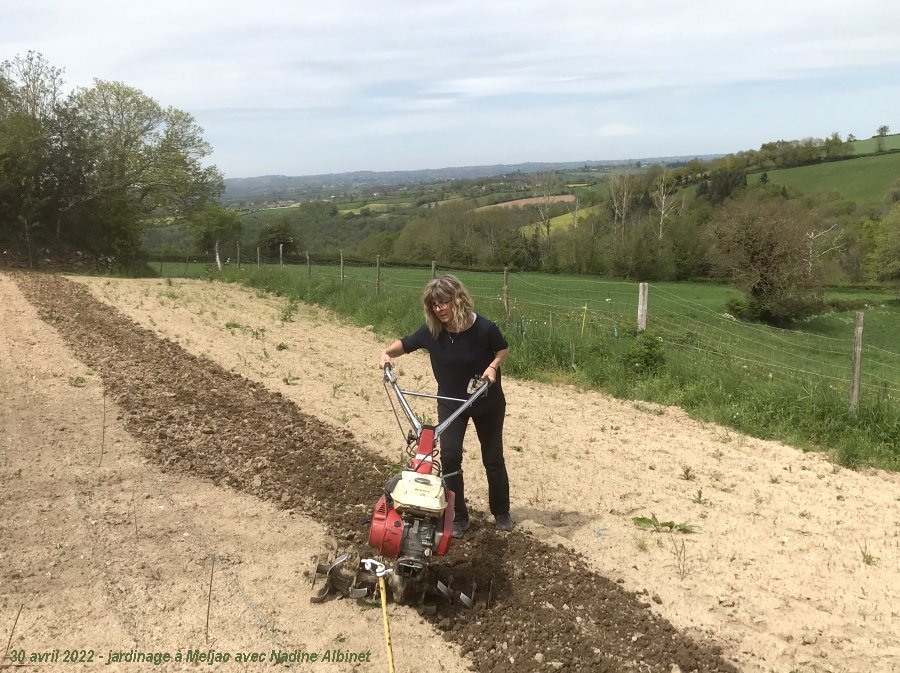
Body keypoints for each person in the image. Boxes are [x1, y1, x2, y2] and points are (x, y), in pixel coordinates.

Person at [379, 274, 512, 536]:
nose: (439, 309)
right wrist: (385, 354)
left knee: (492, 458)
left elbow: (503, 349)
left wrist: (492, 367)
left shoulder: (484, 328)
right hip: (451, 403)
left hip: (486, 401)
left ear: (458, 300)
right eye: (434, 305)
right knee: (450, 456)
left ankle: (501, 511)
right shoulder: (433, 331)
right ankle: (458, 515)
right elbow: (405, 344)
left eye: (443, 302)